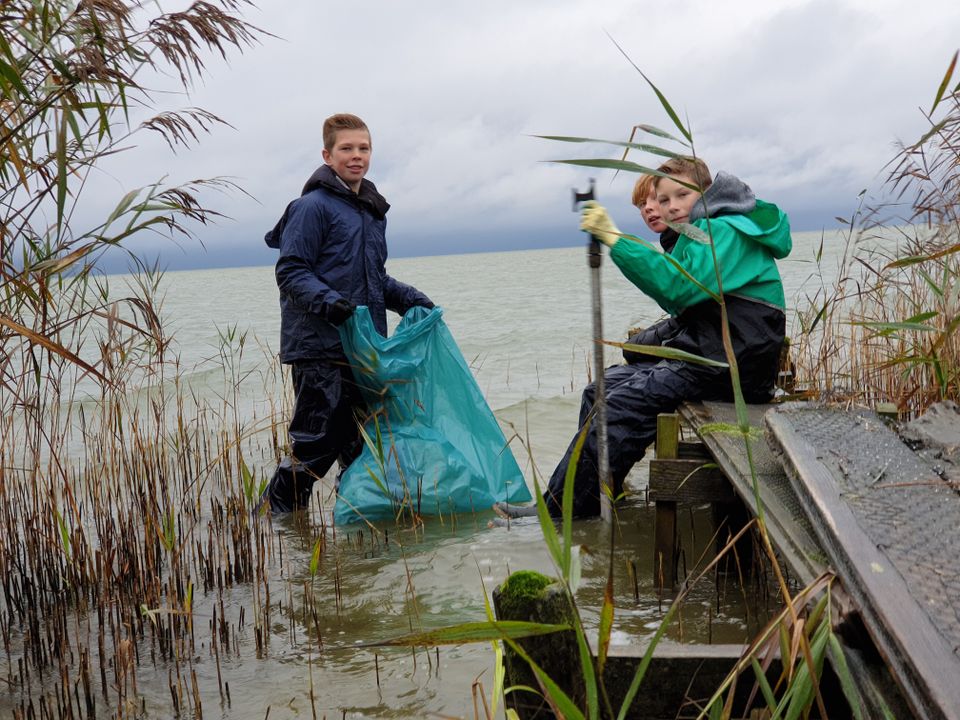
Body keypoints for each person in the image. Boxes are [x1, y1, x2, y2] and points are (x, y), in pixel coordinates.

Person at [497, 156, 791, 518]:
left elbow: (679, 286)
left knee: (619, 407)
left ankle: (561, 513)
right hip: (712, 358)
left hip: (731, 369)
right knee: (599, 390)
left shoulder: (726, 231)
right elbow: (690, 314)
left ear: (707, 191)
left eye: (681, 195)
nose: (671, 207)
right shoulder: (699, 234)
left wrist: (615, 238)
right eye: (664, 200)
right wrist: (640, 348)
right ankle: (600, 493)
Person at [259, 113, 434, 513]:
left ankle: (355, 532)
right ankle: (272, 523)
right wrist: (332, 305)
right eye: (347, 149)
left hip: (363, 349)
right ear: (327, 154)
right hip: (320, 347)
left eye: (364, 148)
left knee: (364, 447)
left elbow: (374, 280)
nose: (356, 156)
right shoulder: (310, 207)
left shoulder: (370, 212)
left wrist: (411, 299)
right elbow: (290, 271)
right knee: (316, 447)